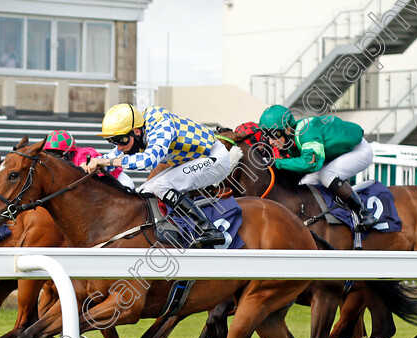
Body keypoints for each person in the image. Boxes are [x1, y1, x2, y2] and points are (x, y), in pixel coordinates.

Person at [82, 103, 231, 248]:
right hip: (194, 159)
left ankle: (209, 230)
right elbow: (113, 155)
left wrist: (106, 162)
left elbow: (149, 160)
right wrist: (92, 165)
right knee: (144, 190)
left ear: (137, 131)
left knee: (162, 186)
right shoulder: (137, 131)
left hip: (215, 158)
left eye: (121, 140)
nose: (119, 146)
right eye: (112, 141)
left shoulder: (160, 124)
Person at [258, 104, 379, 231]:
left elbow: (311, 163)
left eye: (275, 135)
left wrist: (277, 162)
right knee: (306, 183)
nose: (271, 142)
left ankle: (364, 213)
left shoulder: (306, 132)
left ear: (288, 129)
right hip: (335, 154)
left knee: (326, 175)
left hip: (358, 150)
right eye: (268, 136)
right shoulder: (291, 138)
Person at [43, 130, 136, 189]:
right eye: (51, 154)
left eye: (58, 154)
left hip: (118, 180)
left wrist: (85, 166)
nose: (55, 159)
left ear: (69, 152)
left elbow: (92, 163)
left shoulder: (83, 155)